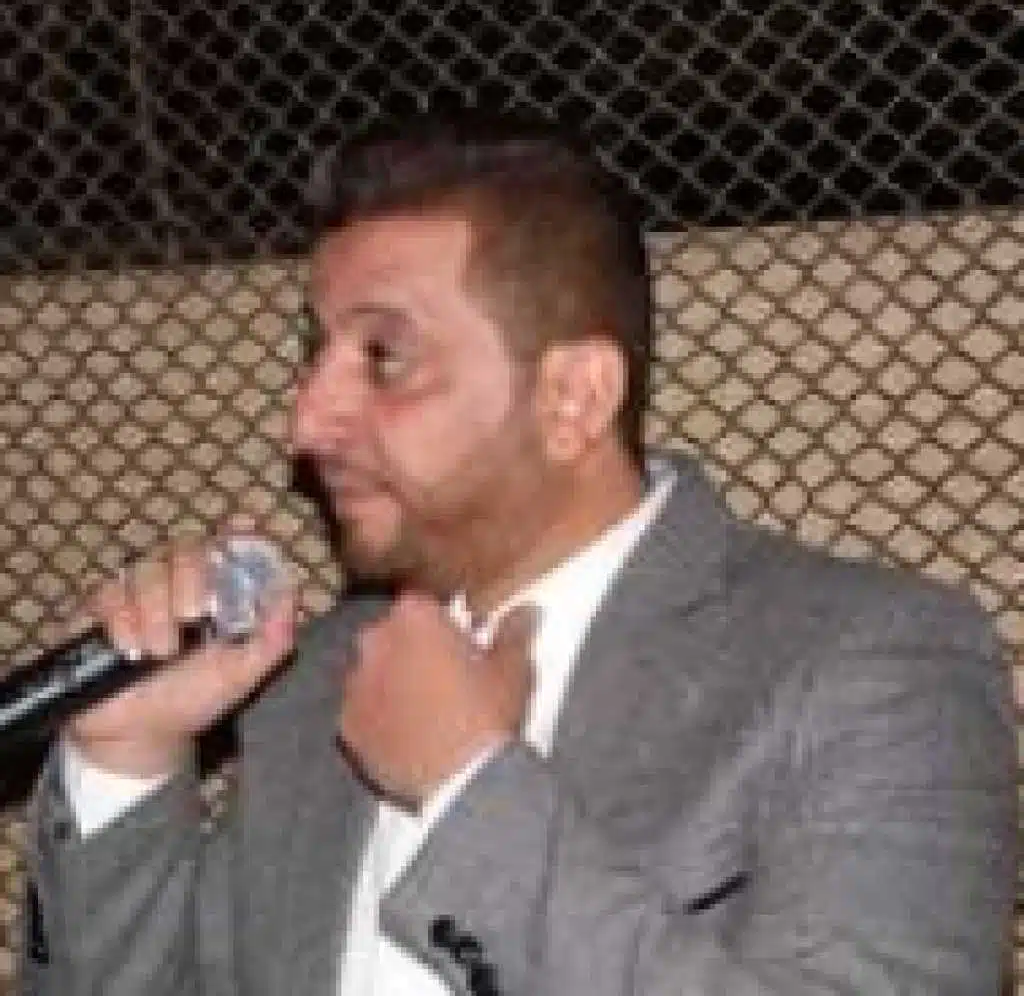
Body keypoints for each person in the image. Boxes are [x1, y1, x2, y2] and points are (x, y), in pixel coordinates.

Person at [21, 111, 1016, 996]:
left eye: (383, 357)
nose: (307, 420)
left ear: (573, 397)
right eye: (316, 354)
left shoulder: (866, 664)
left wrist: (466, 793)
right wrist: (127, 756)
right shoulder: (315, 680)